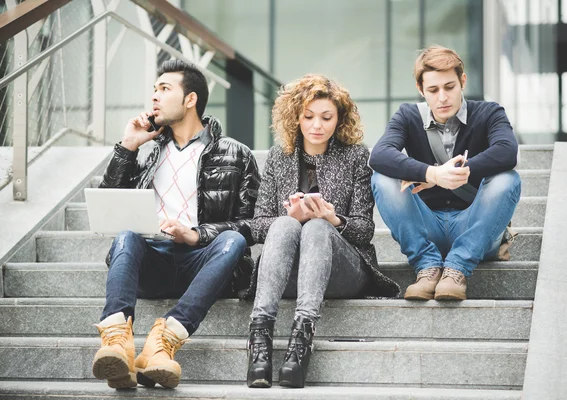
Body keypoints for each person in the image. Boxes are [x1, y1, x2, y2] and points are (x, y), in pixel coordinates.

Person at [91, 60, 260, 389]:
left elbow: (254, 224)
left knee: (233, 241)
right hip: (153, 260)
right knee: (126, 235)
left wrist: (197, 235)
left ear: (191, 99)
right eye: (154, 90)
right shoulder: (151, 153)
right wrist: (127, 147)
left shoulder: (236, 154)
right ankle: (116, 343)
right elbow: (108, 207)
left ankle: (163, 341)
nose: (155, 96)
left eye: (165, 89)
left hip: (205, 264)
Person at [245, 74, 401, 389]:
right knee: (286, 223)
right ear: (295, 117)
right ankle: (259, 343)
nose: (318, 125)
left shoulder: (357, 155)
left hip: (343, 272)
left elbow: (363, 230)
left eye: (327, 117)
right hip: (286, 271)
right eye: (309, 116)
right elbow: (257, 224)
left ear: (339, 119)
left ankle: (301, 341)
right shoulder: (279, 156)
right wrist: (288, 216)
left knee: (317, 225)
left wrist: (333, 219)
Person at [369, 45, 521, 301]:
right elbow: (380, 155)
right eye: (433, 90)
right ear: (421, 90)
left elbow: (507, 151)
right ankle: (427, 266)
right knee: (382, 178)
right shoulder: (407, 115)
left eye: (449, 87)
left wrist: (460, 172)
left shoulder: (489, 112)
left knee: (508, 179)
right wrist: (433, 174)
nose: (442, 97)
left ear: (462, 81)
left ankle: (458, 268)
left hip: (474, 228)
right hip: (427, 228)